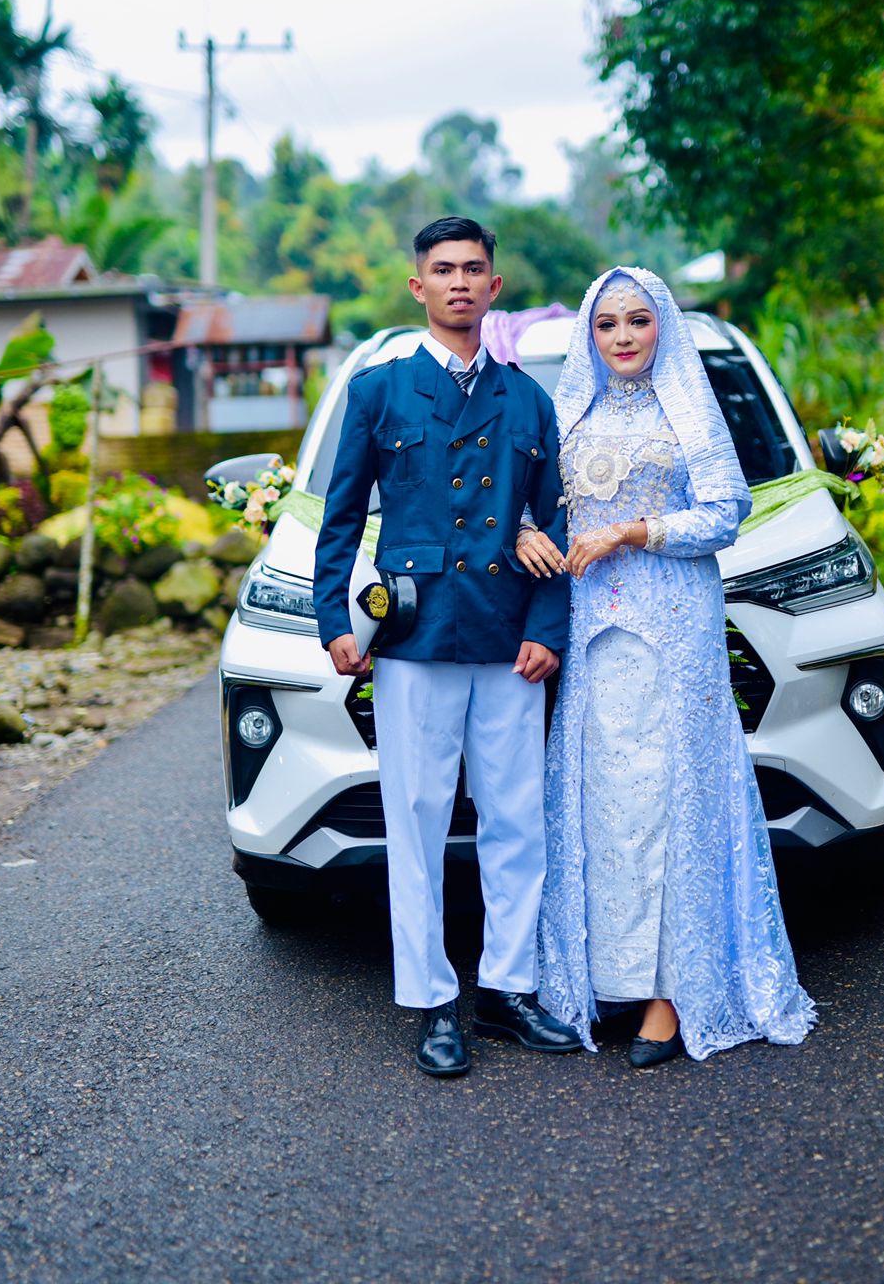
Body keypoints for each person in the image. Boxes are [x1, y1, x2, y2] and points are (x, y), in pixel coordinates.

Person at [518, 266, 817, 1068]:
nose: (622, 336)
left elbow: (726, 514)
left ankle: (673, 992)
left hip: (674, 625)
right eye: (607, 323)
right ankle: (609, 978)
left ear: (662, 327)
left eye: (638, 320)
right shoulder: (568, 413)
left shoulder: (687, 408)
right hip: (591, 630)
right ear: (589, 335)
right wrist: (525, 532)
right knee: (606, 801)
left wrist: (630, 532)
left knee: (674, 795)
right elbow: (534, 504)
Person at [313, 216, 582, 1077]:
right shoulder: (379, 391)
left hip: (507, 638)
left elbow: (559, 523)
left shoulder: (529, 401)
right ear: (418, 286)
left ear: (494, 287)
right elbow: (341, 518)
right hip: (415, 638)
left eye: (473, 269)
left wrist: (546, 628)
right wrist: (334, 621)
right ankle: (432, 1001)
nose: (459, 282)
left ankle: (507, 990)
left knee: (516, 822)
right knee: (418, 820)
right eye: (443, 269)